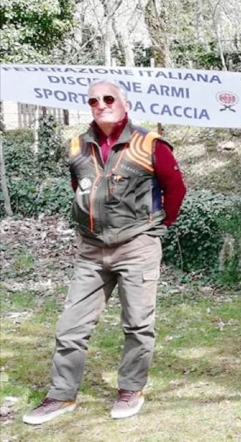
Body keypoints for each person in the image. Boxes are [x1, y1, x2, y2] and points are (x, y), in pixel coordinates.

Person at [23, 80, 186, 425]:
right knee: (70, 327)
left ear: (124, 103)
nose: (101, 104)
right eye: (94, 100)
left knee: (138, 325)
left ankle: (131, 389)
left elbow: (175, 188)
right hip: (91, 251)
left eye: (108, 98)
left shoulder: (150, 144)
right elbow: (80, 189)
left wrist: (158, 227)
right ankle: (61, 395)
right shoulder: (78, 146)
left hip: (137, 248)